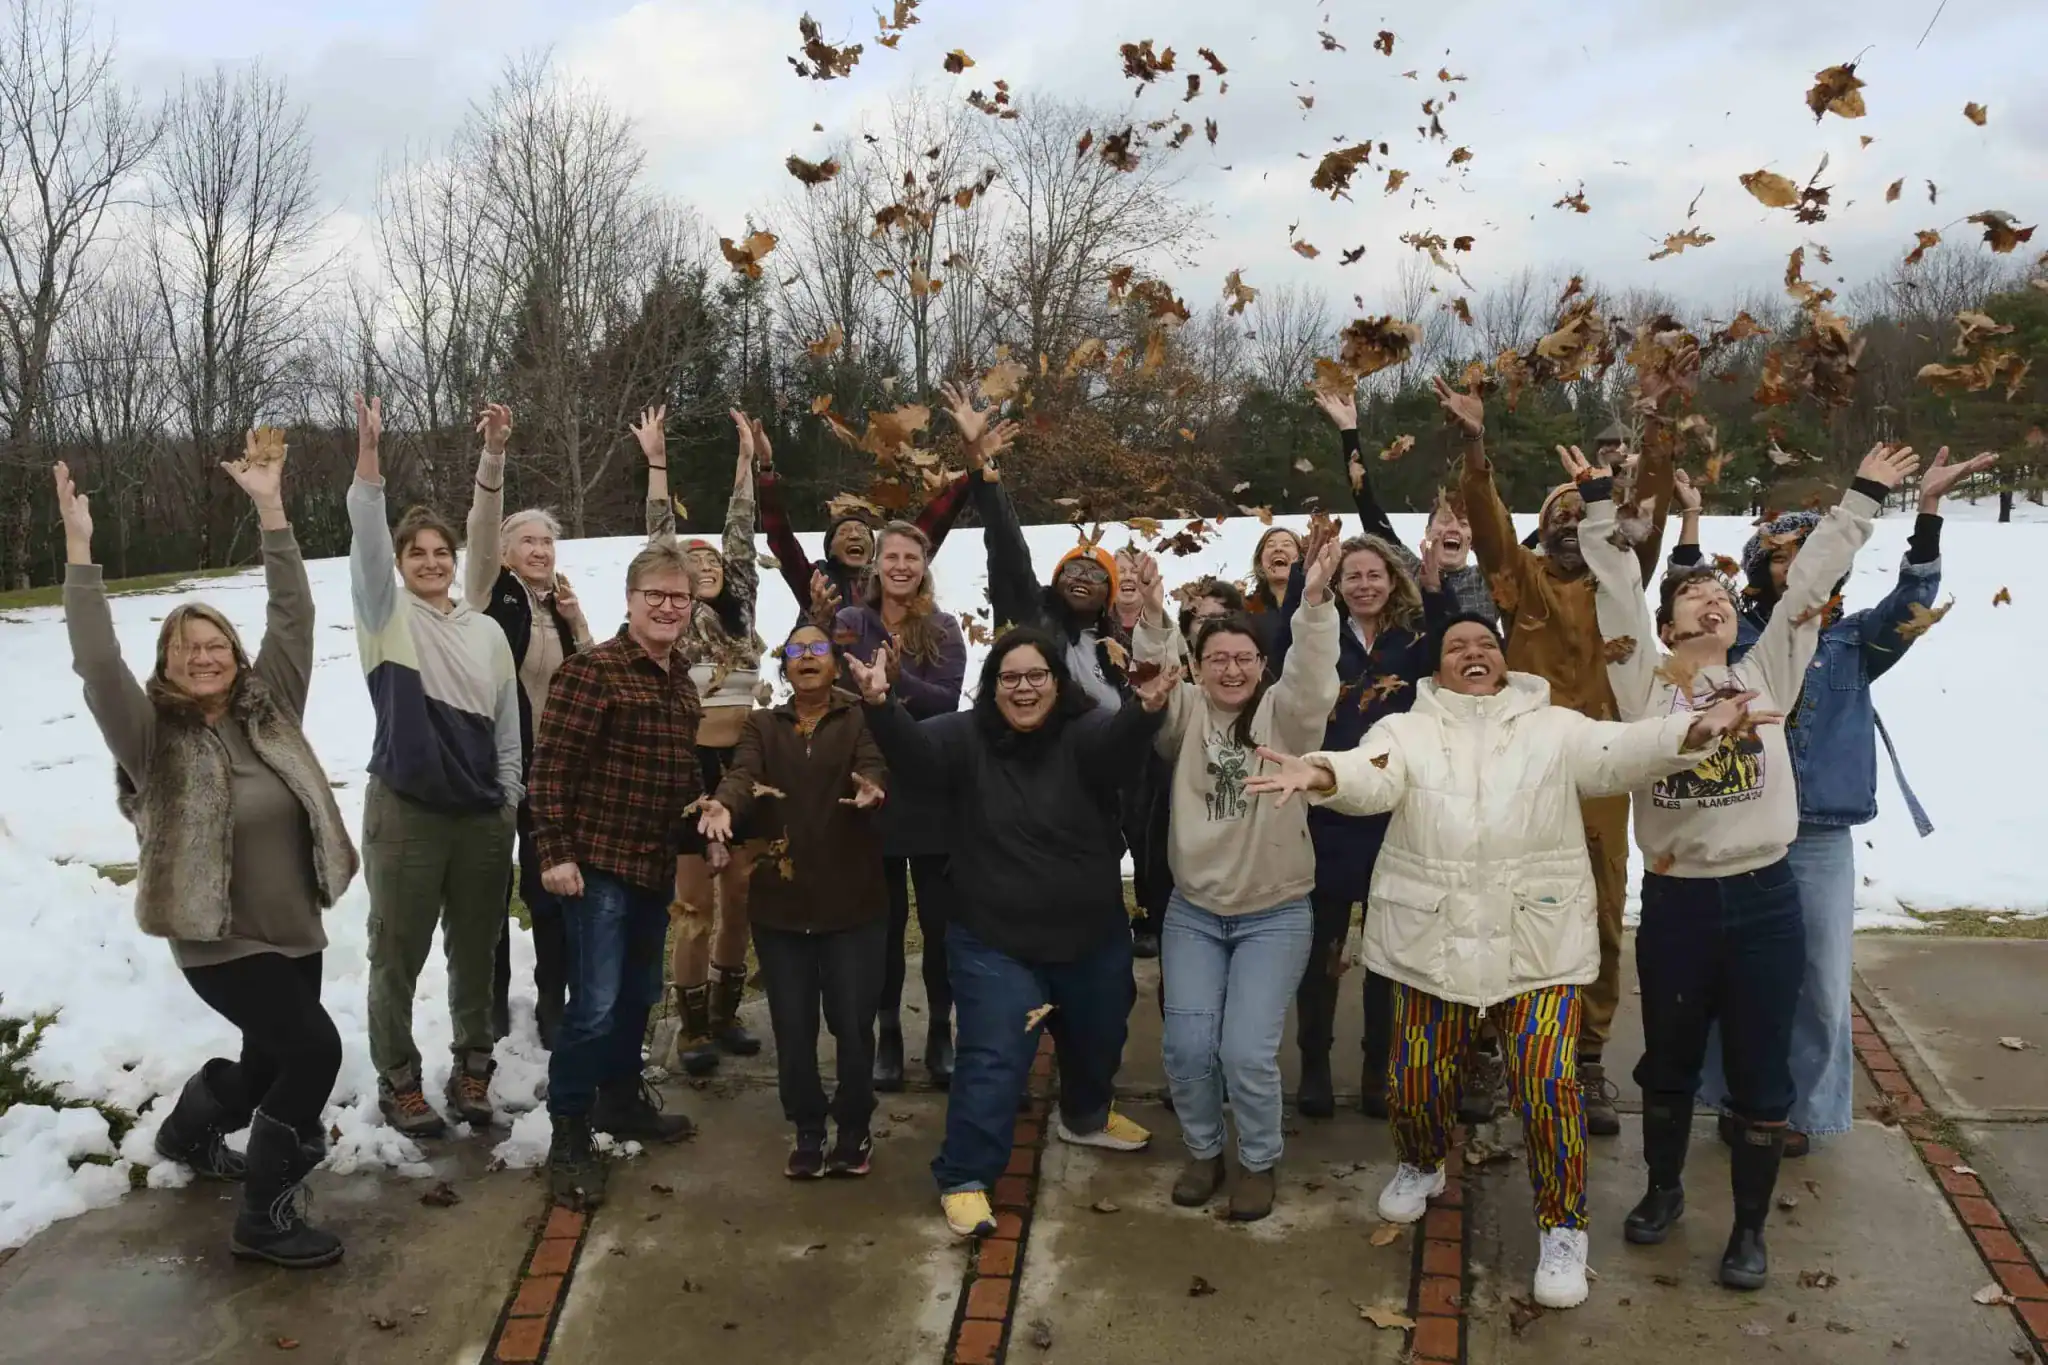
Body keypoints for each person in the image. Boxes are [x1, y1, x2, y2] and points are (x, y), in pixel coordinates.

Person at [1244, 616, 1762, 1309]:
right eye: (1457, 646)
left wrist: (1690, 733)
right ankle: (1421, 1162)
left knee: (1547, 1086)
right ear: (1437, 669)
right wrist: (1325, 771)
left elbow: (1619, 750)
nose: (1473, 653)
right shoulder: (1407, 729)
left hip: (1535, 941)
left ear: (1503, 659)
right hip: (1433, 940)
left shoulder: (1555, 727)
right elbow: (1373, 774)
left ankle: (1563, 1225)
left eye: (1485, 643)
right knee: (1414, 1083)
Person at [1578, 442, 1918, 1290]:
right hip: (1680, 903)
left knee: (1763, 1068)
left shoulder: (1767, 673)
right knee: (1669, 1062)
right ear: (1666, 626)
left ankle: (1749, 1229)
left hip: (1767, 899)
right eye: (1693, 596)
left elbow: (1807, 589)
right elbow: (1615, 588)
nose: (1713, 601)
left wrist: (1861, 497)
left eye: (1723, 597)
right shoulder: (1645, 687)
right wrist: (1598, 505)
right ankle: (1662, 1190)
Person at [60, 447, 355, 1269]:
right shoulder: (150, 735)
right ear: (167, 662)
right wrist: (80, 551)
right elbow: (96, 662)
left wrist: (272, 512)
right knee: (314, 1052)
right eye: (186, 646)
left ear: (235, 653)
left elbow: (292, 616)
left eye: (215, 642)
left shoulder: (271, 709)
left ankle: (189, 1130)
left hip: (294, 928)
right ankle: (265, 1215)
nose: (203, 655)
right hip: (217, 936)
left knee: (267, 1067)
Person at [1669, 450, 1989, 1156]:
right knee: (1733, 978)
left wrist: (1928, 511)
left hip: (1818, 837)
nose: (1797, 565)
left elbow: (1913, 602)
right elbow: (1684, 600)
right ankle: (1732, 1096)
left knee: (1817, 982)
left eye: (1809, 553)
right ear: (1761, 569)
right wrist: (1690, 521)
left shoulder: (1856, 639)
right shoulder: (1744, 641)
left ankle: (1799, 1111)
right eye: (1783, 556)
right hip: (1742, 828)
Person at [849, 630, 1179, 1238]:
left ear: (1057, 682)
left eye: (1036, 676)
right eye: (1009, 677)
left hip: (1090, 934)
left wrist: (1146, 710)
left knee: (1101, 1033)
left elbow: (1117, 748)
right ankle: (965, 1176)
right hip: (994, 938)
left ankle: (1086, 1116)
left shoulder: (1084, 732)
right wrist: (880, 704)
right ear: (992, 685)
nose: (1023, 689)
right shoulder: (964, 736)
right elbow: (915, 755)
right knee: (995, 1055)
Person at [1438, 377, 1675, 1138]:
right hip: (1526, 770)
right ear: (1542, 532)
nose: (1572, 526)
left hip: (1603, 769)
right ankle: (1488, 1047)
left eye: (1582, 514)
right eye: (1559, 517)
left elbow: (1648, 521)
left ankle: (1588, 1056)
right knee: (1504, 902)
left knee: (1601, 912)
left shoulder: (1621, 584)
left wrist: (1658, 430)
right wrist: (1475, 444)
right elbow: (1487, 524)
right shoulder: (1523, 581)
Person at [1130, 538, 1341, 1220]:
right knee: (1188, 1045)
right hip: (1195, 910)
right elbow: (1154, 676)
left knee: (1246, 1050)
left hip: (1274, 912)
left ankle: (1257, 1159)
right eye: (1217, 658)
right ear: (1198, 665)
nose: (1231, 668)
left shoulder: (1287, 714)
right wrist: (1153, 615)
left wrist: (1314, 604)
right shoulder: (1184, 714)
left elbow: (1314, 677)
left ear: (1262, 665)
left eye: (1244, 657)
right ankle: (1203, 1150)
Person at [349, 394, 522, 1137]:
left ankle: (473, 1069)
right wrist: (369, 459)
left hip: (482, 817)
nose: (430, 561)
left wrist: (508, 796)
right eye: (415, 552)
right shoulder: (386, 616)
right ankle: (398, 1080)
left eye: (439, 552)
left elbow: (508, 723)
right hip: (407, 812)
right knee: (396, 953)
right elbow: (364, 534)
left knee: (477, 952)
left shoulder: (484, 630)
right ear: (398, 563)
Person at [531, 537, 708, 1209]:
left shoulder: (681, 679)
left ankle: (621, 1099)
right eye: (654, 594)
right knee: (595, 1005)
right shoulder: (593, 671)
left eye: (679, 597)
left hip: (652, 866)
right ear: (630, 600)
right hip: (596, 865)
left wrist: (706, 825)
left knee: (638, 996)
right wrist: (555, 852)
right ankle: (569, 1131)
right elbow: (550, 768)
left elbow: (679, 778)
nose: (668, 607)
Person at [697, 623, 890, 1177]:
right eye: (797, 650)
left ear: (835, 662)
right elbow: (742, 775)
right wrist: (725, 805)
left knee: (853, 1024)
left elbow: (874, 763)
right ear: (784, 665)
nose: (807, 657)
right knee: (793, 1026)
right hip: (780, 906)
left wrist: (873, 786)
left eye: (818, 648)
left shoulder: (858, 719)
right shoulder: (763, 725)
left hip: (853, 902)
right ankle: (807, 1127)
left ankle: (853, 1128)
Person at [1268, 519, 1434, 1120]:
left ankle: (1377, 1069)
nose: (1363, 585)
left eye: (1374, 574)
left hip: (1394, 809)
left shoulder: (1415, 641)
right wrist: (1305, 579)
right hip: (1327, 807)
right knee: (1323, 949)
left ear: (1393, 580)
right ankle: (1314, 1063)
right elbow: (1281, 658)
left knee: (1387, 952)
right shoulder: (1319, 632)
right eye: (1352, 576)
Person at [637, 406, 769, 1076]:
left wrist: (746, 461)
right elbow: (661, 537)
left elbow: (741, 532)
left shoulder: (741, 609)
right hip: (690, 768)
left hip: (744, 765)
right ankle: (689, 1026)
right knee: (693, 902)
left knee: (739, 895)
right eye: (692, 563)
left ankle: (724, 1010)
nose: (706, 563)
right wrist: (657, 464)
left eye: (712, 558)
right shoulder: (678, 621)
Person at [465, 403, 594, 1050]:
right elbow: (482, 527)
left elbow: (593, 680)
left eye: (547, 542)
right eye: (528, 542)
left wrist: (576, 622)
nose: (540, 551)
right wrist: (494, 456)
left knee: (552, 888)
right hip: (496, 766)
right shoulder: (493, 593)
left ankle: (552, 997)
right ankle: (490, 999)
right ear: (507, 552)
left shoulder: (560, 607)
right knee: (493, 886)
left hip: (553, 772)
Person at [833, 519, 970, 1092]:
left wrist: (892, 685)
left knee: (940, 925)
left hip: (931, 789)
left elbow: (947, 700)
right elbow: (838, 689)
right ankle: (886, 1032)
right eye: (891, 556)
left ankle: (941, 1030)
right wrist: (871, 692)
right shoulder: (850, 621)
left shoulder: (942, 627)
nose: (900, 566)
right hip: (871, 784)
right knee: (881, 926)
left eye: (911, 557)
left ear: (924, 565)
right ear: (876, 564)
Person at [757, 402, 978, 619]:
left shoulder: (891, 575)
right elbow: (781, 539)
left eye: (863, 532)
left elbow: (931, 526)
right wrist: (766, 469)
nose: (855, 535)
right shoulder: (817, 580)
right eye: (844, 533)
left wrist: (974, 467)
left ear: (874, 551)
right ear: (829, 550)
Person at [1313, 387, 1498, 626]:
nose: (1453, 527)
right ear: (1428, 533)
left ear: (1471, 539)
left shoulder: (1488, 580)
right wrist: (1349, 431)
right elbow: (1367, 504)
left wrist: (1476, 438)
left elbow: (1537, 542)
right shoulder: (1407, 571)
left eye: (1463, 523)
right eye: (1444, 520)